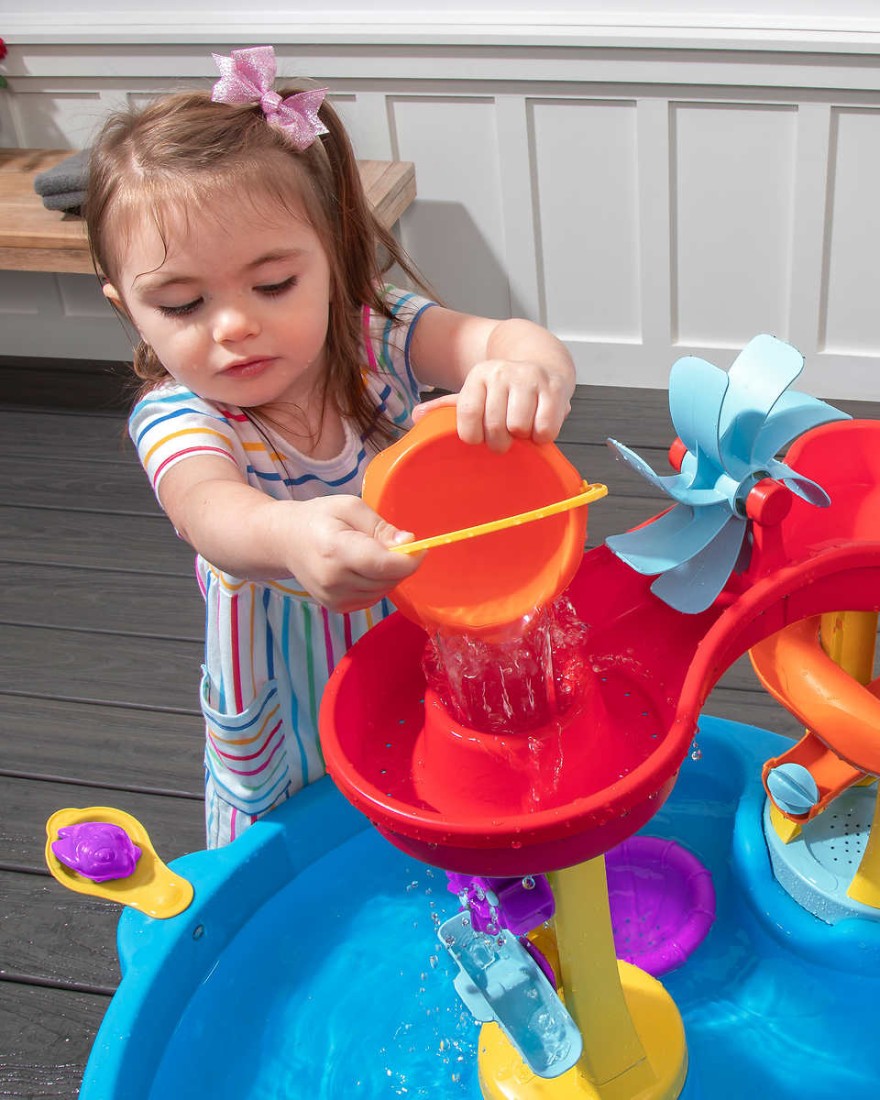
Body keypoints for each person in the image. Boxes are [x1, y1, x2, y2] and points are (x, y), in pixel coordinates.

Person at [83, 46, 576, 847]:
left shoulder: (379, 336)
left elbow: (509, 339)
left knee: (441, 786)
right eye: (182, 304)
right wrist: (287, 535)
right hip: (293, 696)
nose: (234, 325)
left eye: (273, 285)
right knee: (307, 852)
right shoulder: (182, 415)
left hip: (426, 646)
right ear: (128, 308)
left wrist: (526, 372)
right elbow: (213, 513)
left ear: (334, 255)